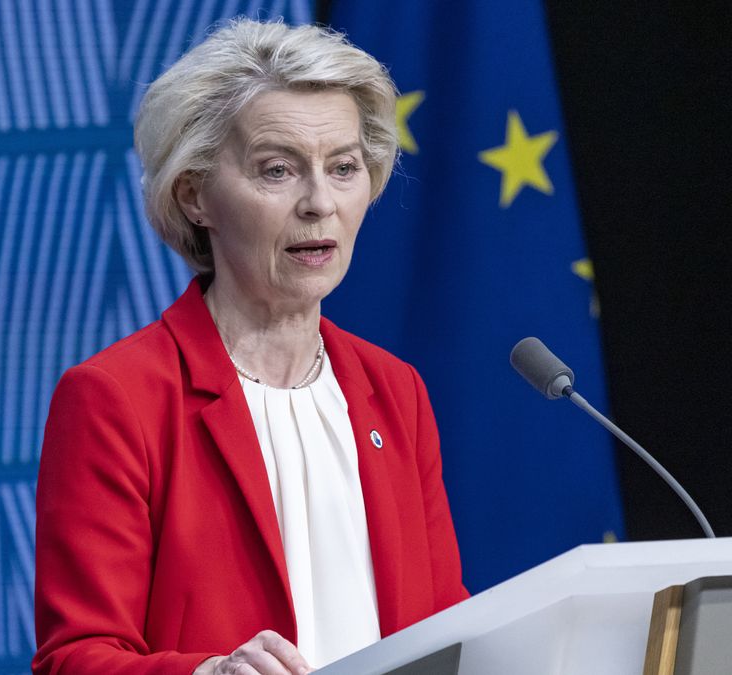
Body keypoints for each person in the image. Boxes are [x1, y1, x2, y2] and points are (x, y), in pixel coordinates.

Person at [32, 18, 468, 675]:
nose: (320, 202)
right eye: (277, 170)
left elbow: (444, 622)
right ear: (195, 194)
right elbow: (75, 657)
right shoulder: (118, 398)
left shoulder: (393, 389)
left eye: (343, 167)